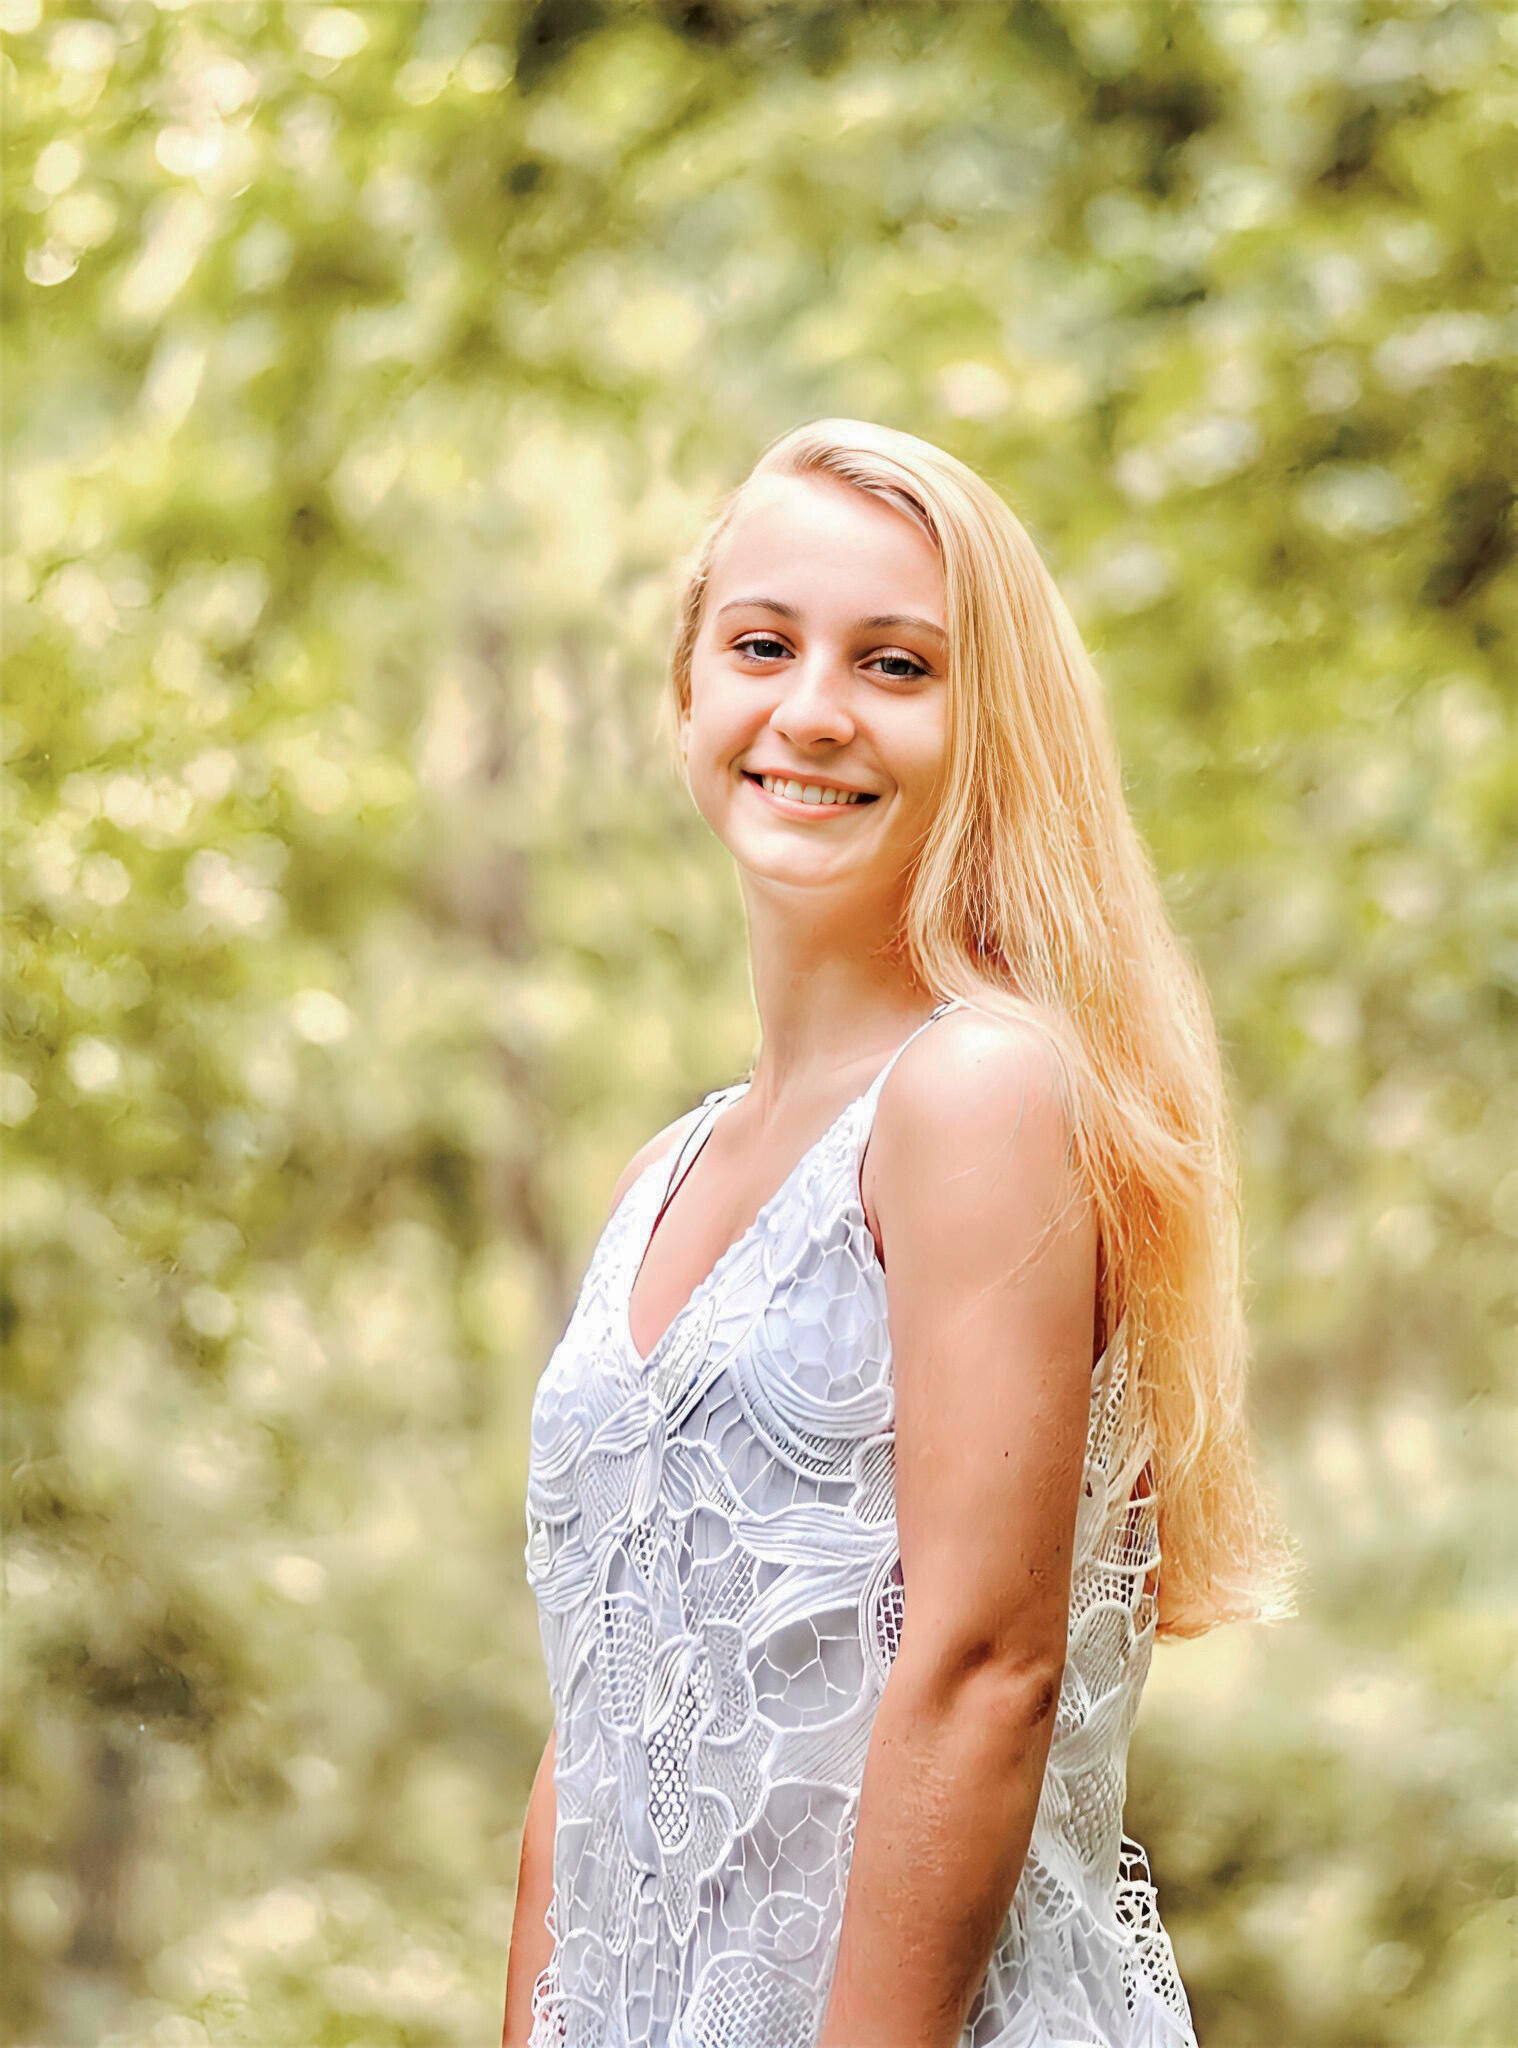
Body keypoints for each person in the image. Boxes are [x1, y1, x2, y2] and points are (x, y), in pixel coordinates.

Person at [503, 419, 1300, 2048]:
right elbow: (588, 1743)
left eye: (895, 664)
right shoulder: (659, 1176)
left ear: (986, 727)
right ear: (685, 695)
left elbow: (983, 1671)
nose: (811, 709)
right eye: (761, 645)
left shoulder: (979, 1093)